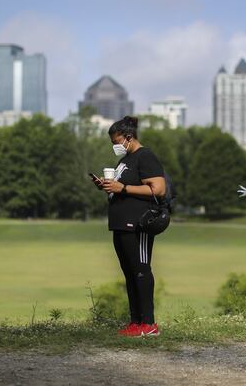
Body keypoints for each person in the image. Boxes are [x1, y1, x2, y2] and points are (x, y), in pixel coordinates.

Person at [100, 116, 166, 337]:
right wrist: (108, 186)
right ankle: (135, 322)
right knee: (129, 273)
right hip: (120, 225)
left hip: (138, 224)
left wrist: (123, 188)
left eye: (116, 141)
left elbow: (158, 189)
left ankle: (149, 324)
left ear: (128, 137)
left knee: (140, 271)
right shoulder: (125, 160)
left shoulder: (145, 156)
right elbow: (120, 187)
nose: (115, 146)